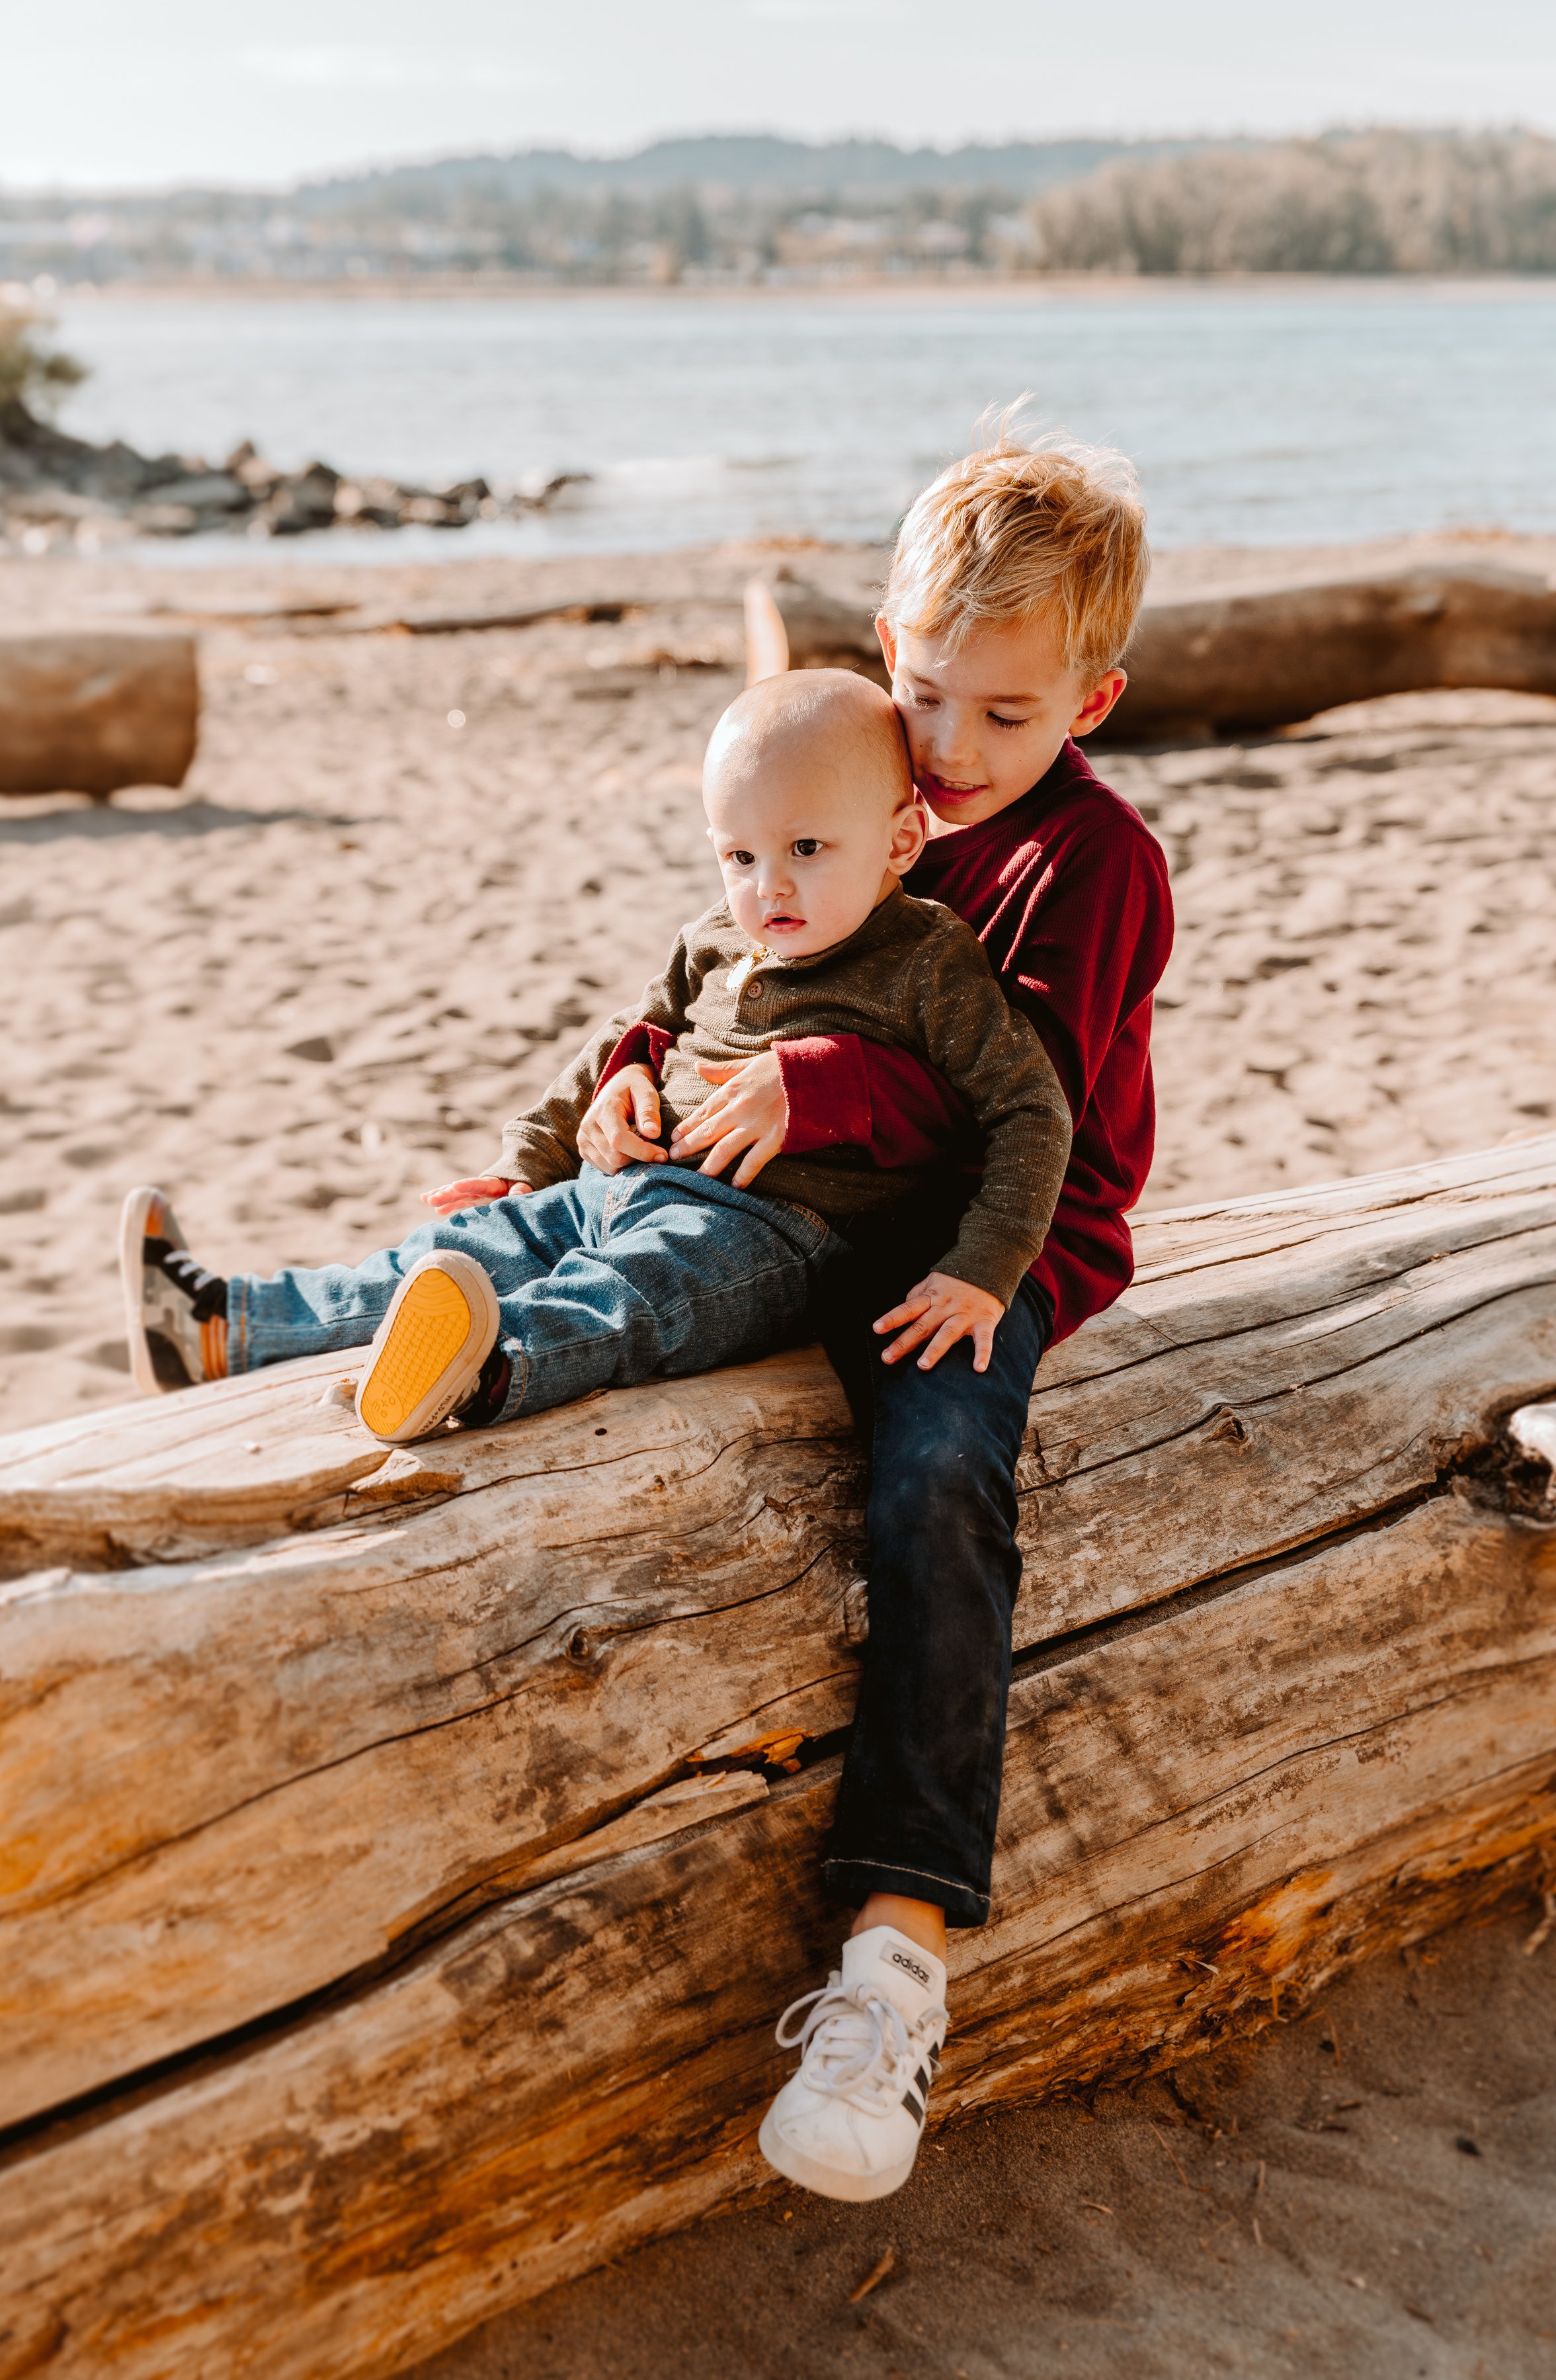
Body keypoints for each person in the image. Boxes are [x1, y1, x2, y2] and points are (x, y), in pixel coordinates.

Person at [581, 429, 1172, 2203]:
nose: (958, 750)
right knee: (585, 1277)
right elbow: (722, 964)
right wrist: (630, 1078)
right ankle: (311, 1322)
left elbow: (1030, 1108)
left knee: (932, 1491)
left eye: (1010, 713)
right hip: (814, 1224)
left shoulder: (1092, 862)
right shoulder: (862, 782)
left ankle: (894, 1953)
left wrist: (824, 1087)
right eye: (928, 695)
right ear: (880, 652)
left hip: (988, 1253)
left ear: (1094, 696)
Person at [120, 669, 1071, 1470]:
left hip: (772, 1231)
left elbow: (1031, 1111)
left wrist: (982, 1271)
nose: (769, 886)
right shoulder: (712, 939)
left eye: (807, 850)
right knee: (459, 1249)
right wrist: (529, 1160)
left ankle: (494, 1366)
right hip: (618, 1181)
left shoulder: (924, 958)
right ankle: (222, 1324)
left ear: (901, 841)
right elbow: (627, 1036)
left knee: (635, 1294)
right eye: (739, 855)